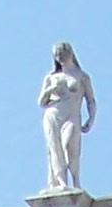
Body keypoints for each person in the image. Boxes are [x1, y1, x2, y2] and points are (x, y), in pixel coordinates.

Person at [38, 42, 96, 190]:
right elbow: (41, 102)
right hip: (53, 114)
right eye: (56, 55)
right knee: (55, 148)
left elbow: (91, 100)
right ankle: (60, 182)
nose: (59, 57)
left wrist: (91, 118)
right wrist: (51, 89)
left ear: (70, 53)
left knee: (70, 145)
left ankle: (76, 182)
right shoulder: (51, 77)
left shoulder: (82, 77)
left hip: (72, 116)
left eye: (61, 53)